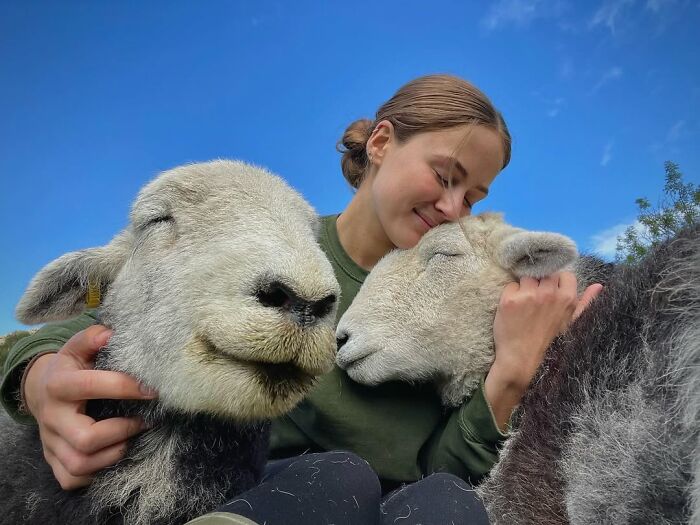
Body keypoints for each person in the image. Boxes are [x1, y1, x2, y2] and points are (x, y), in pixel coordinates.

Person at [1, 74, 602, 524]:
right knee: (338, 476)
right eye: (445, 175)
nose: (452, 208)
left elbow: (442, 472)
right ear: (382, 143)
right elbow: (124, 301)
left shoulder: (459, 289)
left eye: (472, 196)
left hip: (401, 511)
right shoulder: (270, 248)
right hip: (251, 493)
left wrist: (511, 376)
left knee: (449, 504)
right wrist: (37, 374)